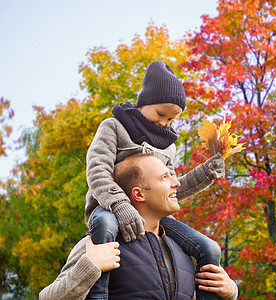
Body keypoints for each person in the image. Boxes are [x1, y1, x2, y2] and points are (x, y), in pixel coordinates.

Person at [84, 61, 225, 299]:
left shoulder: (168, 146)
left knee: (209, 248)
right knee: (105, 226)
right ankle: (98, 294)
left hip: (153, 215)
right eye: (161, 114)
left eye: (171, 120)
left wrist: (204, 173)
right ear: (145, 103)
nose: (164, 123)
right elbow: (97, 170)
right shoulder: (114, 127)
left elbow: (168, 189)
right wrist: (120, 205)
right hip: (109, 207)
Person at [39, 153, 238, 300]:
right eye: (164, 177)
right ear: (139, 194)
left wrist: (229, 292)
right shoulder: (100, 245)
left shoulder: (183, 249)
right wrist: (90, 267)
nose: (176, 183)